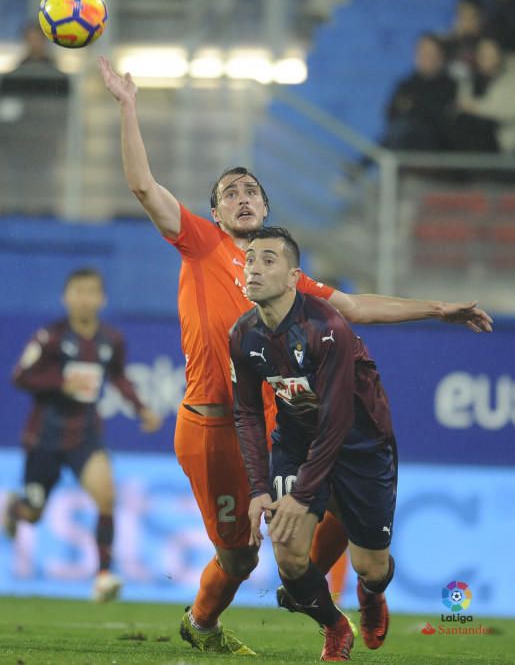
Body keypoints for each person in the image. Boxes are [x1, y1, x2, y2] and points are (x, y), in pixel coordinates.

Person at [98, 54, 492, 655]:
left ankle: (327, 602)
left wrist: (439, 308)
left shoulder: (286, 277)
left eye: (252, 189)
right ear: (214, 214)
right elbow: (143, 187)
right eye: (230, 192)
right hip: (212, 425)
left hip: (280, 422)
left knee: (331, 496)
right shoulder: (201, 245)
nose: (243, 196)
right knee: (236, 556)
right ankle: (201, 625)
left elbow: (356, 307)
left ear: (266, 210)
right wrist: (129, 107)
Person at [229, 227, 397, 661]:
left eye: (268, 259)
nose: (254, 268)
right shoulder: (243, 336)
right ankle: (335, 627)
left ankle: (371, 594)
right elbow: (247, 413)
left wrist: (302, 495)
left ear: (292, 277)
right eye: (249, 259)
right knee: (289, 560)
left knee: (371, 567)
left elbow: (338, 419)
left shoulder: (326, 328)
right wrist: (260, 490)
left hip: (360, 444)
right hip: (298, 443)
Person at [2, 268, 162, 602]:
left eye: (91, 292)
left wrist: (141, 408)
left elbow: (118, 377)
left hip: (85, 435)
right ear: (66, 297)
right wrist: (60, 382)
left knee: (106, 496)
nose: (85, 299)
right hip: (44, 437)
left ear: (102, 299)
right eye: (78, 292)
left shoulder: (111, 339)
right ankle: (15, 508)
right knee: (34, 512)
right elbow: (20, 376)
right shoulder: (50, 337)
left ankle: (104, 575)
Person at [381, 33, 457, 152]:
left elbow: (437, 115)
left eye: (430, 54)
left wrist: (412, 106)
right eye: (422, 53)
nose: (425, 58)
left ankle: (363, 164)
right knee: (398, 129)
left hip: (435, 141)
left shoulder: (450, 85)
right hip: (404, 137)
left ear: (441, 56)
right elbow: (391, 111)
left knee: (401, 129)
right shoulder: (407, 83)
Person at [450, 36, 515, 152]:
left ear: (500, 54)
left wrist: (475, 107)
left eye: (491, 54)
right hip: (472, 140)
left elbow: (508, 111)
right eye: (482, 54)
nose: (486, 58)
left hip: (505, 142)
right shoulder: (469, 80)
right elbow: (461, 106)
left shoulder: (511, 78)